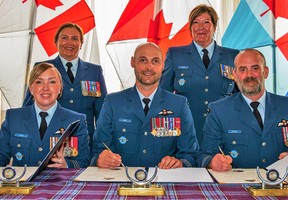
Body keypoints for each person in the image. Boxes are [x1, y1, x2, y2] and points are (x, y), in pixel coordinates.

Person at [90, 42, 199, 169]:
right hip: (122, 182)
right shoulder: (112, 103)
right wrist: (100, 159)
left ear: (163, 65)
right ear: (132, 62)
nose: (149, 67)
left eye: (155, 61)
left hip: (164, 182)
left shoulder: (179, 105)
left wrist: (180, 163)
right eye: (143, 60)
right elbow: (98, 150)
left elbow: (190, 154)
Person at [22, 23, 107, 157]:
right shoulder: (42, 67)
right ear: (56, 42)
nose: (69, 42)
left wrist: (100, 147)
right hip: (50, 140)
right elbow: (28, 108)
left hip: (84, 141)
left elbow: (103, 113)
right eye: (64, 38)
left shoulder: (94, 71)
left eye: (74, 38)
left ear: (81, 43)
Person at [197, 49, 288, 171]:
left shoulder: (285, 106)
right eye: (243, 69)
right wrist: (212, 162)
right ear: (234, 75)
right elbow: (204, 155)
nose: (249, 75)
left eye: (255, 68)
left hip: (281, 183)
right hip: (237, 186)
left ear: (265, 72)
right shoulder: (218, 110)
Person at [160, 4, 239, 144]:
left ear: (214, 27)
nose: (200, 27)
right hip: (185, 132)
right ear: (190, 28)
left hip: (223, 132)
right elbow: (163, 95)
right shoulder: (175, 54)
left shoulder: (232, 56)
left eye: (206, 22)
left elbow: (241, 97)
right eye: (196, 22)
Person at [0, 63, 90, 168]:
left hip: (60, 183)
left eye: (52, 82)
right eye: (39, 82)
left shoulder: (76, 120)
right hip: (23, 182)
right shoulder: (13, 117)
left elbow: (84, 162)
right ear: (31, 89)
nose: (45, 88)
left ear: (60, 87)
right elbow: (2, 156)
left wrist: (66, 165)